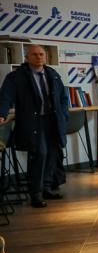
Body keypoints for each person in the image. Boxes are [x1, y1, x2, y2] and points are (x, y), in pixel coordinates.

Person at [0, 44, 69, 208]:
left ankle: (46, 188)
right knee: (40, 153)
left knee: (52, 153)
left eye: (41, 54)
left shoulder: (53, 74)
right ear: (27, 57)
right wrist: (2, 113)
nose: (39, 57)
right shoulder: (16, 77)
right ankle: (36, 193)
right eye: (34, 54)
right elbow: (5, 97)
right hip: (33, 121)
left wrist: (63, 114)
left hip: (52, 120)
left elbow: (63, 97)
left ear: (45, 56)